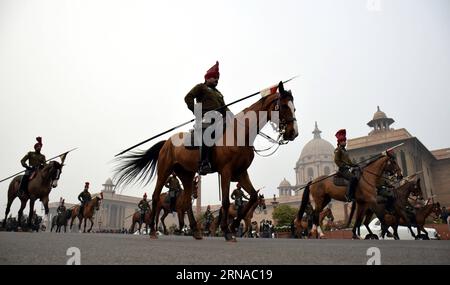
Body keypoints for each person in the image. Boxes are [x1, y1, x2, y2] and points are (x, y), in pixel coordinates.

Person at [184, 61, 231, 175]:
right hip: (206, 119)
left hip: (220, 119)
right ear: (207, 78)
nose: (216, 80)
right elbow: (188, 97)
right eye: (214, 77)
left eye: (218, 78)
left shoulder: (218, 93)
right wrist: (197, 112)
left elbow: (224, 108)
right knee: (208, 132)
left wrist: (233, 117)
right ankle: (204, 162)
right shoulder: (201, 87)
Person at [334, 129, 359, 202]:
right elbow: (336, 160)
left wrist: (355, 165)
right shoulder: (338, 150)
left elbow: (349, 162)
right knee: (353, 178)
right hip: (343, 170)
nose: (344, 142)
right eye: (342, 141)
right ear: (339, 142)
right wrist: (343, 166)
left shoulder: (345, 151)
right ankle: (348, 195)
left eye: (345, 141)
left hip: (348, 169)